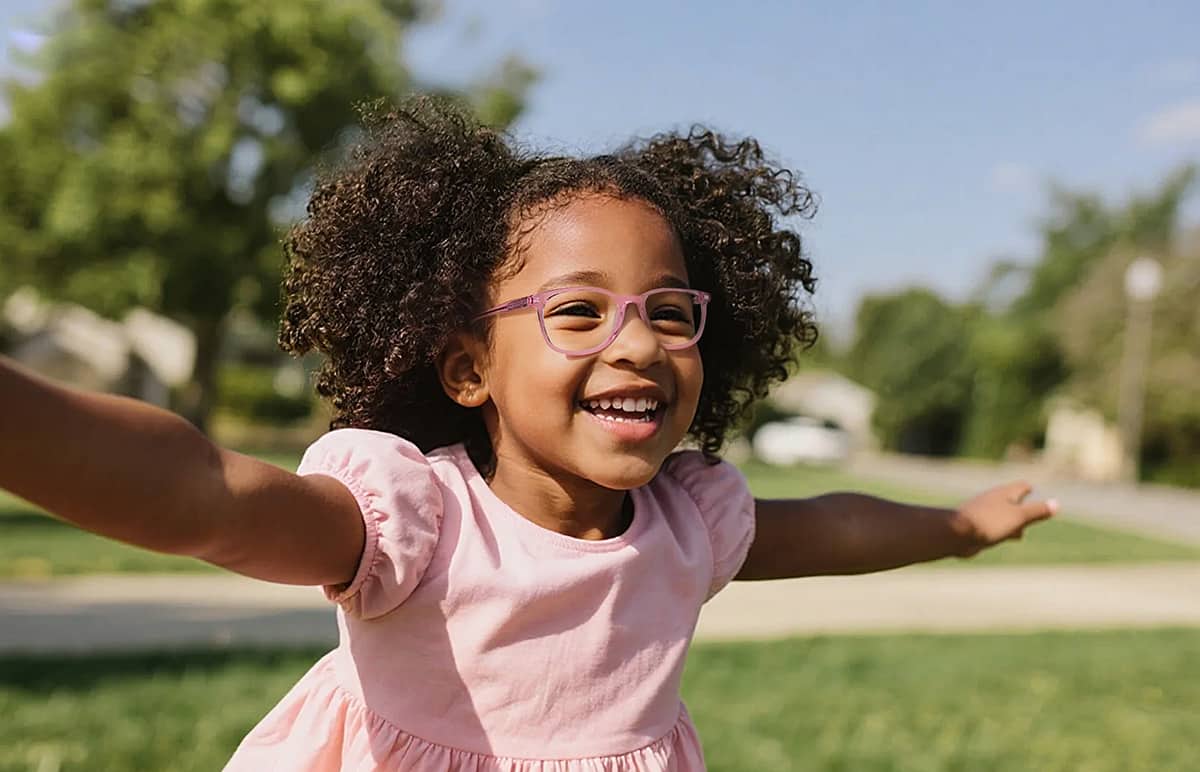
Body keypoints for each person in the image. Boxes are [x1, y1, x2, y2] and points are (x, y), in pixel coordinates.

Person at [0, 97, 1057, 771]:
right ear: (468, 367)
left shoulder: (686, 524)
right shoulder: (412, 521)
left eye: (670, 311)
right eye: (580, 311)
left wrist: (959, 524)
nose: (636, 344)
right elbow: (204, 497)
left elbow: (826, 528)